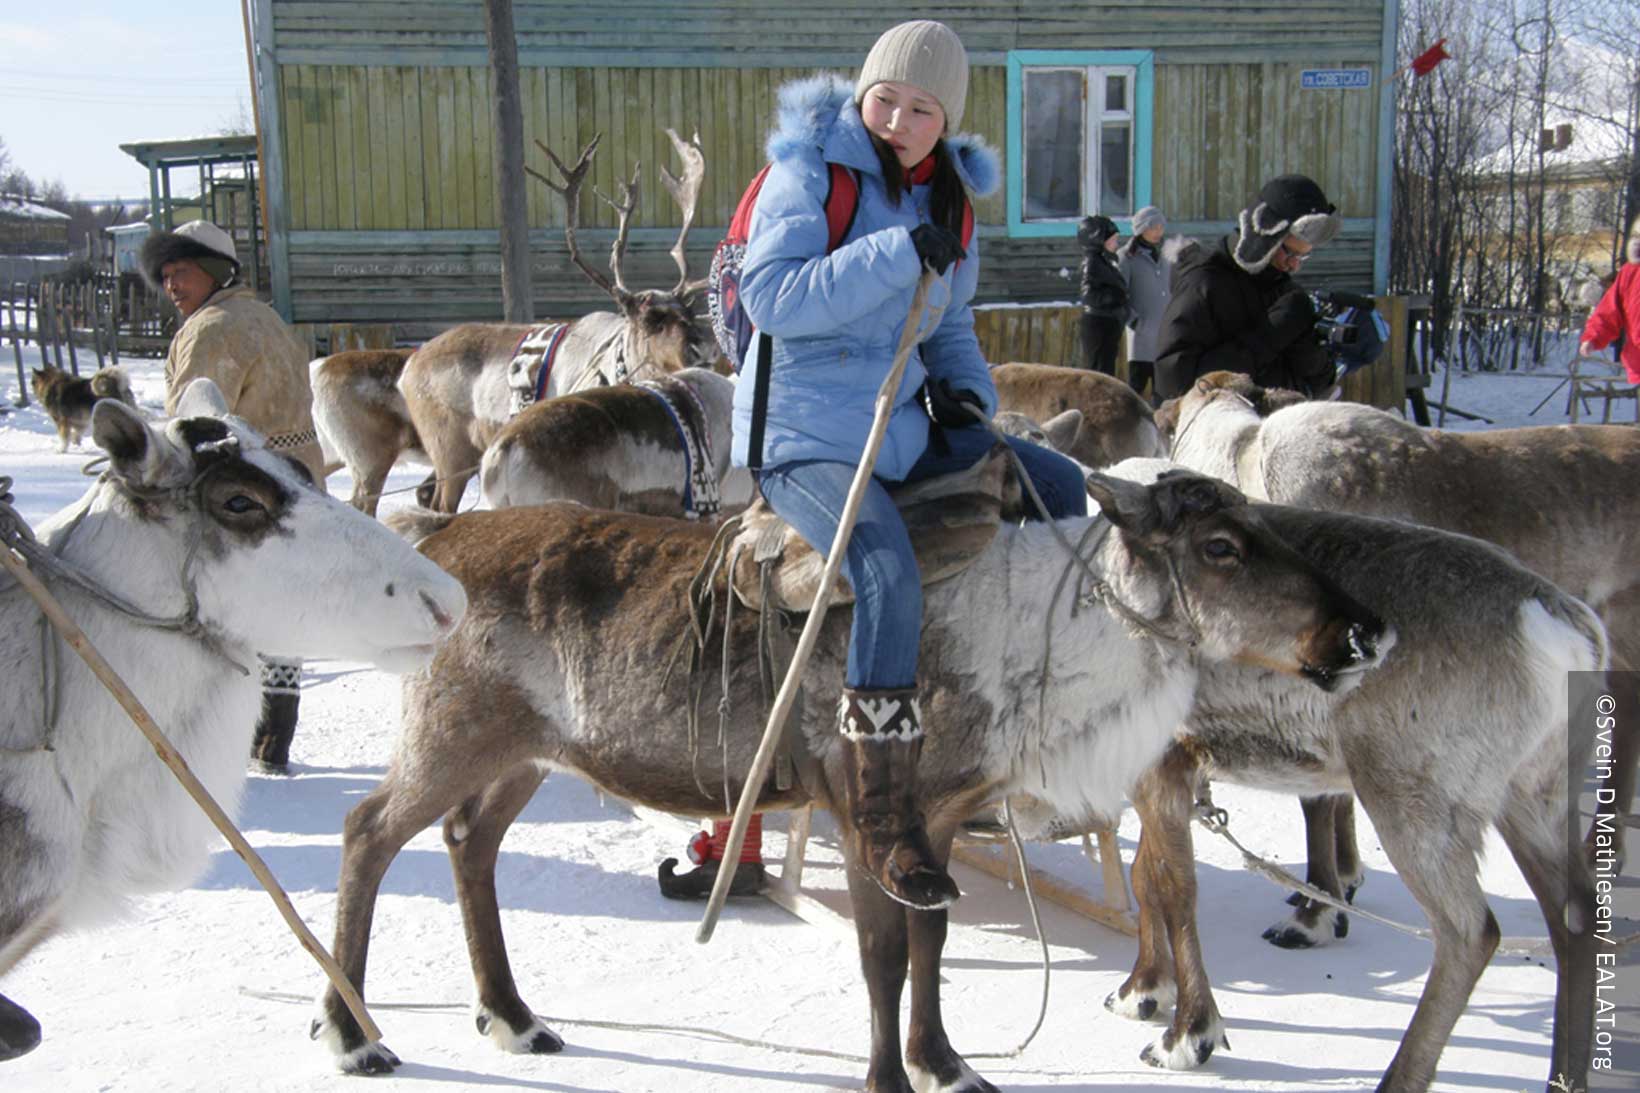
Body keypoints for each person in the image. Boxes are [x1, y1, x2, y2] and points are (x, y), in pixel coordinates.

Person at [709, 19, 1086, 911]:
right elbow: (773, 298)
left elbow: (948, 321)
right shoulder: (812, 172)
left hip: (897, 430)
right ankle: (882, 812)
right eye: (886, 99)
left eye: (923, 108)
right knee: (883, 568)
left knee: (1059, 487)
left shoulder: (948, 198)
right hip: (801, 435)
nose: (900, 120)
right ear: (862, 93)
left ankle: (1040, 727)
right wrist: (890, 253)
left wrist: (965, 394)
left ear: (945, 118)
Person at [140, 220, 324, 775]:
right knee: (281, 614)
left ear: (217, 272)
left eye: (183, 272)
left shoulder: (212, 328)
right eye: (166, 276)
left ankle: (221, 741)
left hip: (241, 491)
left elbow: (192, 423)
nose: (172, 285)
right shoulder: (266, 317)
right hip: (296, 479)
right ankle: (274, 736)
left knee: (220, 614)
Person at [1152, 174, 1341, 402]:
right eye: (1290, 252)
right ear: (1264, 237)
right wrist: (1271, 334)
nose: (1295, 265)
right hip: (1214, 433)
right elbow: (1176, 386)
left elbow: (1314, 385)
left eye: (1304, 255)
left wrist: (1313, 353)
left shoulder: (1281, 288)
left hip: (1273, 431)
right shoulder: (1205, 283)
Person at [1117, 205, 1172, 403]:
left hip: (1166, 336)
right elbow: (1118, 295)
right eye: (1153, 227)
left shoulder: (1168, 254)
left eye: (1161, 226)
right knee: (1135, 392)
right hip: (1141, 338)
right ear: (1141, 229)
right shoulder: (1126, 257)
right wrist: (1135, 322)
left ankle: (1162, 432)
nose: (1159, 231)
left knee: (1165, 392)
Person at [1579, 216, 1640, 383]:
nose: (1637, 243)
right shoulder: (1629, 274)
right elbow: (1608, 312)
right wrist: (1593, 338)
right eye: (1635, 236)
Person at [1077, 215, 1128, 375]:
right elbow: (1088, 295)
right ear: (1099, 241)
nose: (1116, 244)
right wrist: (1113, 298)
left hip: (1108, 321)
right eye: (1113, 240)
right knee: (1098, 371)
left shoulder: (1104, 261)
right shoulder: (1092, 262)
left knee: (1106, 369)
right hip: (1098, 323)